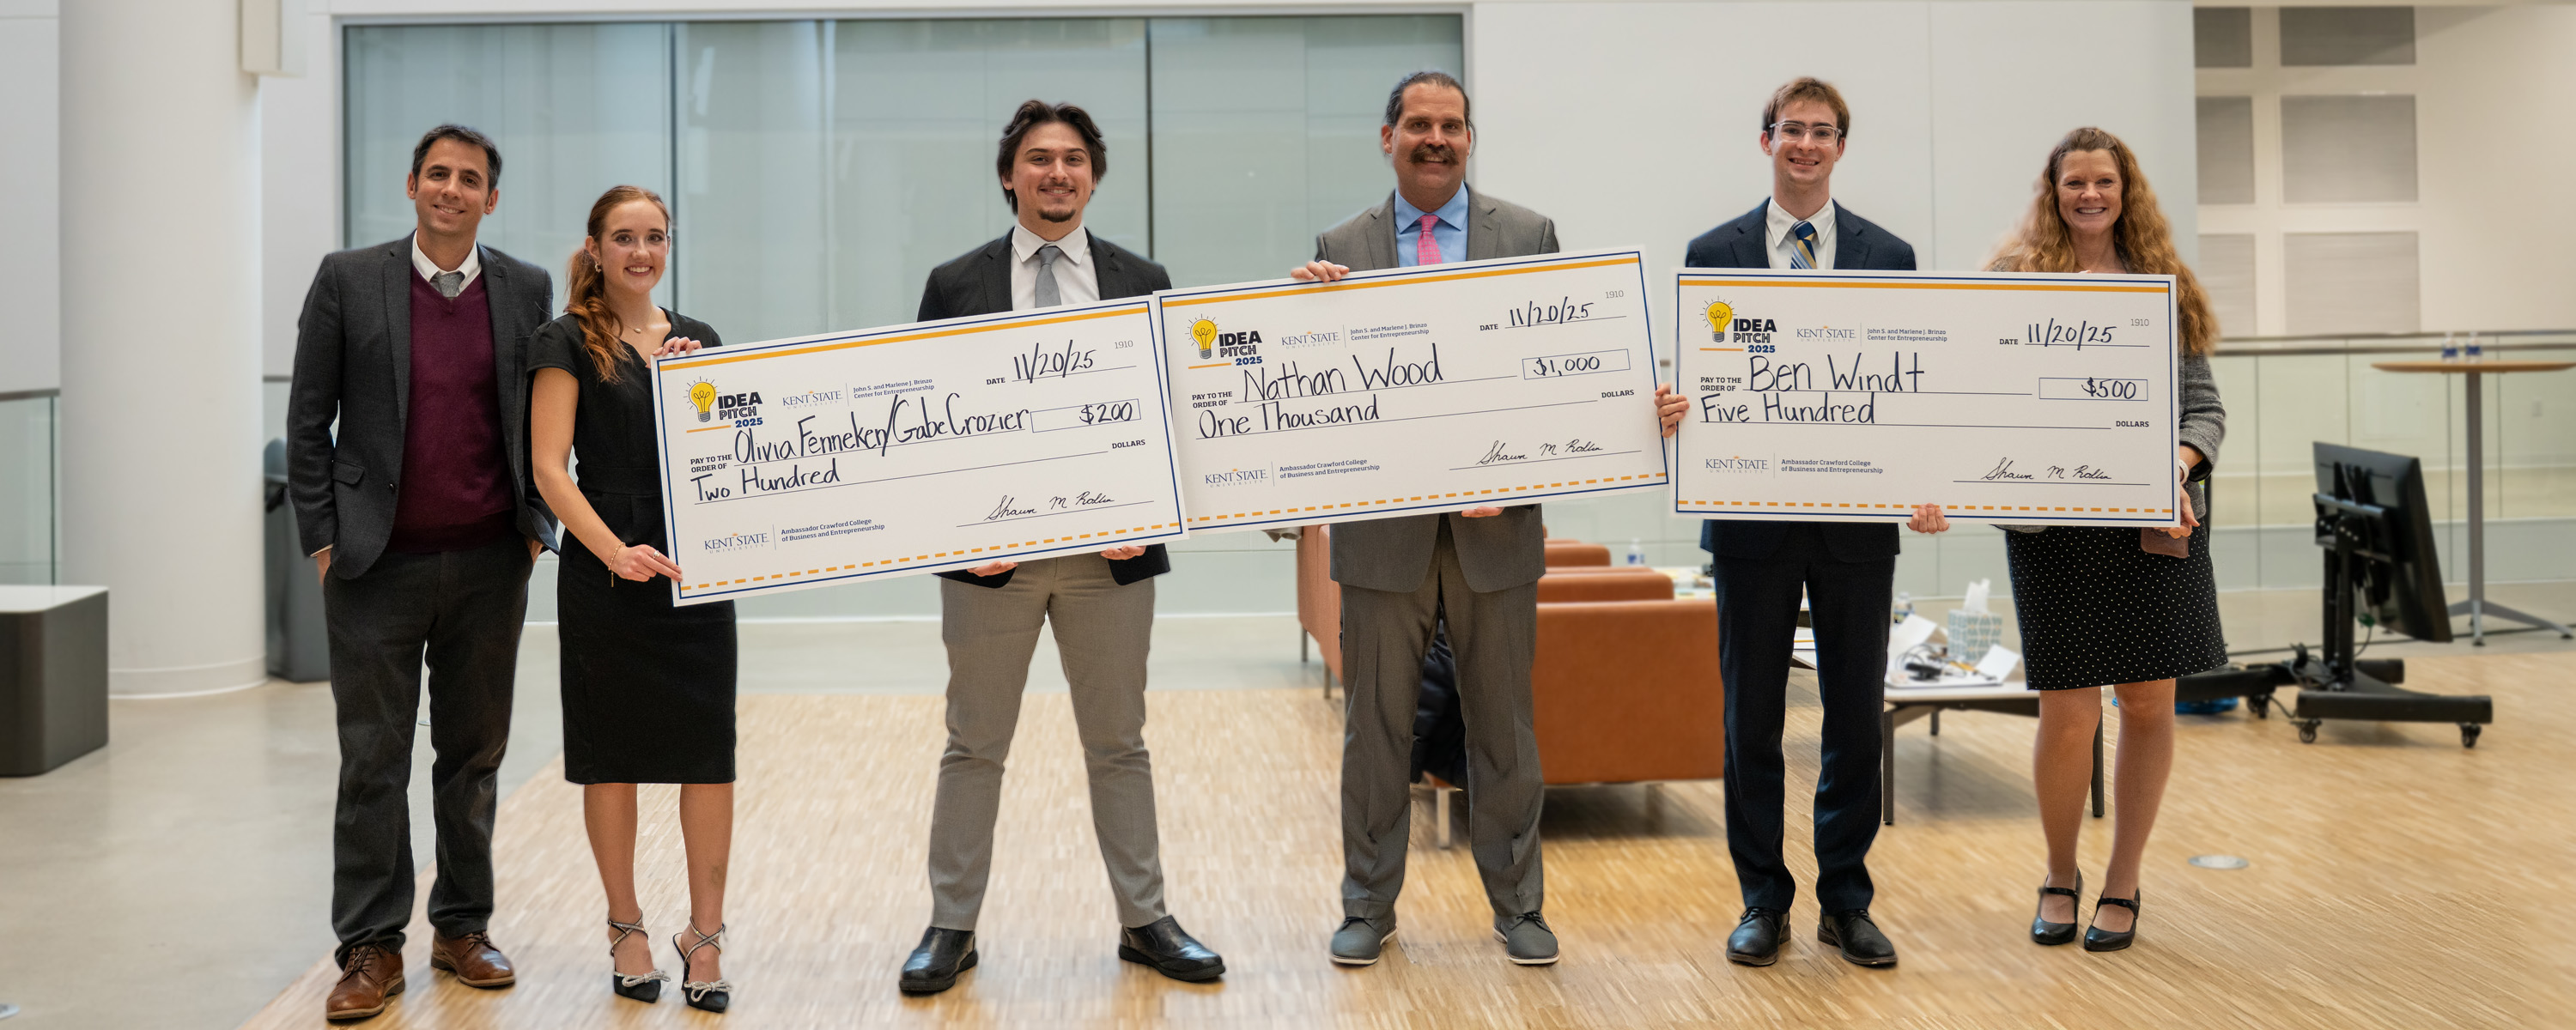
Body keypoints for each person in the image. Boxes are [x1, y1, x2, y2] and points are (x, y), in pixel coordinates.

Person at [1293, 70, 1688, 968]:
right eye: (1419, 125)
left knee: (1504, 729)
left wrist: (1637, 407)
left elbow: (1569, 367)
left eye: (1453, 126)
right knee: (1375, 731)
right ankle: (1367, 905)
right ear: (1386, 135)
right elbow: (1317, 386)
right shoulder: (1338, 248)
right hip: (1384, 534)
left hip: (1498, 531)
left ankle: (1519, 907)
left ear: (1471, 138)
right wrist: (1300, 314)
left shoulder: (1530, 235)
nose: (1436, 140)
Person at [897, 99, 1223, 995]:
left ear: (1094, 176)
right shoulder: (954, 283)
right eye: (1039, 159)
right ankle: (951, 927)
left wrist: (1148, 504)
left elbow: (1174, 415)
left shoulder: (1144, 277)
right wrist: (968, 527)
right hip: (990, 563)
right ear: (1010, 175)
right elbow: (927, 426)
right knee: (974, 745)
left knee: (1119, 743)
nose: (1057, 173)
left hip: (1109, 559)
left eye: (1074, 159)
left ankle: (1146, 920)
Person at [285, 124, 555, 1022]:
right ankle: (370, 947)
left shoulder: (526, 288)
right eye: (436, 174)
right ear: (410, 187)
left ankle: (462, 927)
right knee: (372, 760)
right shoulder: (349, 279)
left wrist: (535, 527)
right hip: (375, 566)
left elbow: (544, 416)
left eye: (469, 178)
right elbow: (308, 417)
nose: (451, 189)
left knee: (473, 758)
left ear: (492, 198)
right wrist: (323, 541)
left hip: (488, 562)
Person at [1680, 77, 1921, 970]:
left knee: (1855, 718)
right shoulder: (1714, 252)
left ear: (1841, 148)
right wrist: (1679, 405)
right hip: (1750, 524)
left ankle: (1846, 900)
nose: (1806, 145)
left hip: (1858, 526)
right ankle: (1761, 900)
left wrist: (1924, 479)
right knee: (1751, 723)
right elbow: (1704, 378)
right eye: (1792, 130)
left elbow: (1911, 385)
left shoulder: (1889, 255)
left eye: (1823, 133)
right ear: (1765, 140)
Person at [1978, 125, 2226, 953]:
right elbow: (1975, 395)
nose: (2089, 196)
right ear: (2052, 191)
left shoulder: (2163, 282)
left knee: (2150, 703)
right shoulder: (2011, 279)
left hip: (2149, 523)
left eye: (2104, 184)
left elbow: (2205, 411)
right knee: (2069, 709)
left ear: (2127, 193)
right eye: (2074, 183)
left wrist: (2177, 465)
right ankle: (2059, 873)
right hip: (2052, 526)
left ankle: (2122, 881)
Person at [527, 185, 738, 1012]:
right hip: (607, 579)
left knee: (706, 759)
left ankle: (707, 935)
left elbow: (728, 457)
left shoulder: (700, 341)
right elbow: (549, 469)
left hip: (696, 578)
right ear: (595, 246)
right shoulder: (564, 341)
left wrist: (701, 392)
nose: (641, 252)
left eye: (655, 237)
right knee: (610, 760)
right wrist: (615, 552)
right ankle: (627, 927)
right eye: (624, 237)